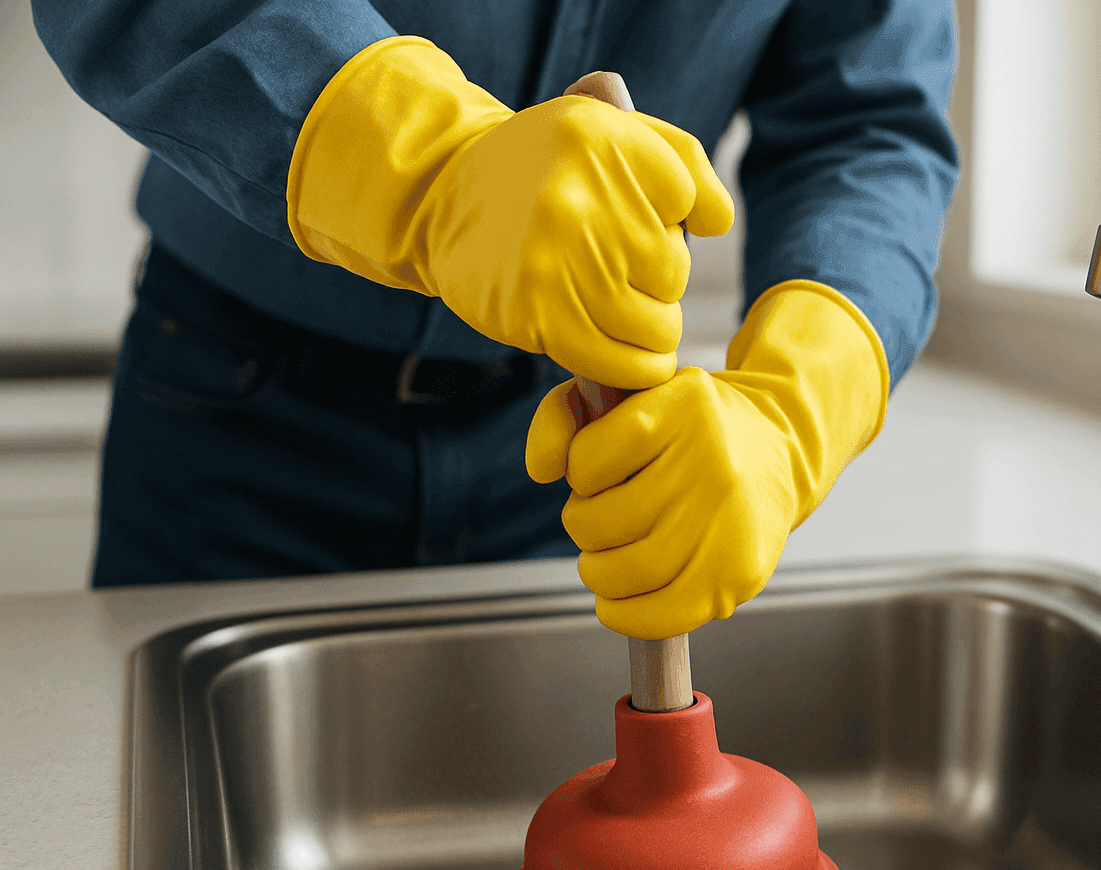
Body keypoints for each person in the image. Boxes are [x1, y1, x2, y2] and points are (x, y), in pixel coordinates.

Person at [33, 1, 958, 640]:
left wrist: (793, 410)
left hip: (577, 447)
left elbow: (869, 126)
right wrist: (429, 169)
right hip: (230, 415)